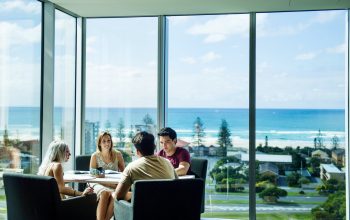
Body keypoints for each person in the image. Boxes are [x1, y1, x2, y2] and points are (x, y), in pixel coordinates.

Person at [113, 131, 177, 201]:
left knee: (113, 195)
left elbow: (118, 196)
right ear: (154, 147)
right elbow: (177, 186)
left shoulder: (131, 167)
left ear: (137, 151)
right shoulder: (168, 163)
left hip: (143, 210)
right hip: (169, 208)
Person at [89, 131, 125, 220]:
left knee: (114, 195)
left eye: (109, 141)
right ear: (99, 143)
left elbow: (124, 173)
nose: (107, 143)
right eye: (104, 141)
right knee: (105, 193)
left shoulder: (118, 154)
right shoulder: (95, 156)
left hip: (113, 183)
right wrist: (100, 174)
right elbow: (92, 173)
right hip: (98, 183)